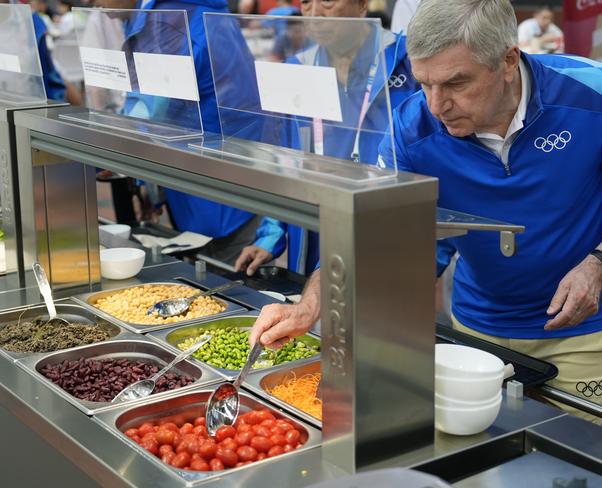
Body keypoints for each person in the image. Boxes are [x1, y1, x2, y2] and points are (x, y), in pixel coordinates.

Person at [250, 0, 602, 421]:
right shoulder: (409, 128)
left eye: (456, 83)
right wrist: (310, 306)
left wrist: (597, 262)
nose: (437, 106)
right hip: (477, 329)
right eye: (423, 84)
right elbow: (372, 234)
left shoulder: (588, 92)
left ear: (508, 60)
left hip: (585, 333)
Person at [234, 0, 419, 277]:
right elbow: (285, 160)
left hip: (387, 230)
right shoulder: (298, 68)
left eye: (328, 2)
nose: (315, 14)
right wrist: (270, 235)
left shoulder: (407, 62)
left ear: (362, 5)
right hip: (316, 231)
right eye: (306, 3)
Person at [95, 0, 260, 265]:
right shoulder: (180, 11)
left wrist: (95, 156)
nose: (93, 2)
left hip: (216, 189)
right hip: (224, 179)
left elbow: (146, 116)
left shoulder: (168, 21)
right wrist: (149, 184)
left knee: (224, 281)